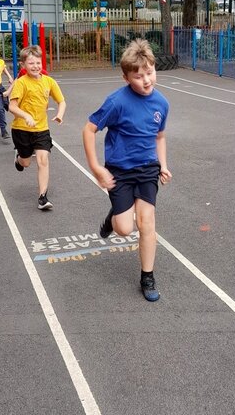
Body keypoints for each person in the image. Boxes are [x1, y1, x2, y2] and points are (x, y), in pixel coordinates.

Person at [82, 39, 172, 302]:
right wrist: (96, 167)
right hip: (119, 171)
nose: (146, 80)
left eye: (150, 72)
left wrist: (163, 165)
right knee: (124, 229)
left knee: (147, 223)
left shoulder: (162, 103)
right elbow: (89, 130)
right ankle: (114, 218)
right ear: (126, 77)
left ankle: (147, 276)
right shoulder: (116, 102)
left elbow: (160, 137)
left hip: (147, 169)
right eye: (139, 76)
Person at [8, 45, 66, 211]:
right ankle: (19, 158)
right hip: (21, 129)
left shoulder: (49, 82)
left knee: (43, 160)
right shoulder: (21, 83)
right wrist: (26, 116)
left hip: (41, 129)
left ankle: (42, 197)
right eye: (31, 63)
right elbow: (12, 106)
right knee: (26, 163)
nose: (35, 66)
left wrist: (60, 114)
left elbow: (61, 101)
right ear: (23, 65)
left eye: (38, 63)